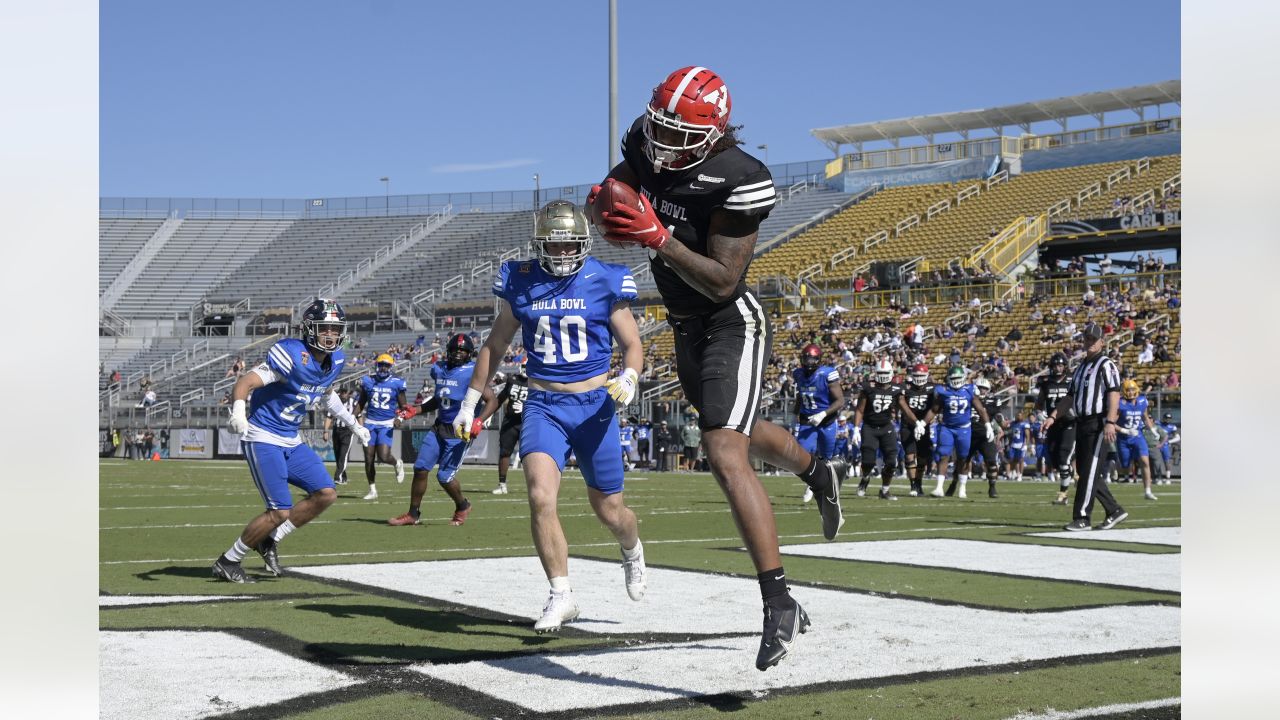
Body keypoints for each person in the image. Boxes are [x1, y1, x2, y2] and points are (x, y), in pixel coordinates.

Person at [592, 65, 848, 671]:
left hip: (730, 318)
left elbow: (723, 280)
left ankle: (777, 599)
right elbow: (615, 185)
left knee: (722, 447)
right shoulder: (645, 143)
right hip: (683, 325)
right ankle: (818, 471)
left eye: (680, 133)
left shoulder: (741, 178)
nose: (663, 143)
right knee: (739, 429)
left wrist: (657, 238)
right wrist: (605, 207)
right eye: (660, 127)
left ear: (714, 133)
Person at [449, 199, 647, 633]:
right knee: (540, 496)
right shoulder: (521, 280)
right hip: (543, 405)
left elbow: (633, 344)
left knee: (611, 510)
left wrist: (630, 375)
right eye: (552, 247)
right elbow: (494, 346)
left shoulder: (605, 278)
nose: (561, 255)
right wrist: (469, 403)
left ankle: (631, 550)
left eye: (569, 245)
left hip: (595, 406)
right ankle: (561, 593)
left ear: (583, 242)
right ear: (540, 245)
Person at [213, 299, 370, 583]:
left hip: (290, 438)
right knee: (280, 510)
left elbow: (325, 394)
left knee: (326, 493)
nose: (331, 336)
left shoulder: (335, 360)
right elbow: (245, 382)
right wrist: (238, 410)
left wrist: (352, 423)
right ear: (309, 329)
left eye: (335, 330)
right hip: (264, 437)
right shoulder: (291, 354)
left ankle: (269, 540)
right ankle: (229, 560)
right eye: (324, 329)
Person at [387, 334, 498, 527]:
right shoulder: (438, 369)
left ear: (469, 354)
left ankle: (462, 505)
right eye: (455, 349)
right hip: (439, 427)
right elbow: (440, 400)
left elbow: (492, 400)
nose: (457, 353)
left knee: (444, 477)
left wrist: (479, 421)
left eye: (462, 350)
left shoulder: (472, 372)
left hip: (459, 432)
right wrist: (417, 409)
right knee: (420, 469)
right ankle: (413, 514)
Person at [1041, 324, 1128, 531]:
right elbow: (1069, 398)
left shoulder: (1106, 364)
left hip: (1098, 422)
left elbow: (1114, 393)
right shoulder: (1081, 368)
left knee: (1087, 470)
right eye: (1086, 338)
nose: (1089, 342)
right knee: (1085, 470)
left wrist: (1110, 421)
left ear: (1102, 342)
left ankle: (1082, 517)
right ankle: (1114, 510)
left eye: (1093, 339)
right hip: (1082, 422)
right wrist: (1053, 416)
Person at [852, 358, 920, 500]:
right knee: (868, 461)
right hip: (869, 427)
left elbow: (904, 408)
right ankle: (865, 479)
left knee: (891, 461)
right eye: (880, 372)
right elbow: (860, 410)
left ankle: (885, 490)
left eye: (884, 372)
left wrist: (917, 422)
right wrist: (856, 428)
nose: (882, 375)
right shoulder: (868, 388)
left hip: (886, 428)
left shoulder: (896, 389)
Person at [922, 366, 993, 499]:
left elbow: (981, 410)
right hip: (947, 427)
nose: (955, 381)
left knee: (963, 458)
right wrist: (922, 423)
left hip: (964, 429)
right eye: (953, 378)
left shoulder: (969, 390)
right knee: (943, 455)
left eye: (957, 378)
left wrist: (988, 425)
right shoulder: (943, 391)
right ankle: (939, 487)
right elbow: (934, 410)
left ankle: (962, 487)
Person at [793, 343, 844, 502]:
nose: (808, 362)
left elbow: (840, 400)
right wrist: (794, 417)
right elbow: (801, 396)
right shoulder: (798, 374)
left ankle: (820, 485)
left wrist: (823, 414)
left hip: (826, 421)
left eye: (812, 359)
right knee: (800, 456)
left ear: (819, 360)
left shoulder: (827, 374)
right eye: (806, 359)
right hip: (807, 421)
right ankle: (813, 482)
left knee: (827, 459)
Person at [355, 353, 409, 500]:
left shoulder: (396, 383)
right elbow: (361, 403)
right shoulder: (368, 381)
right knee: (368, 458)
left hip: (386, 423)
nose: (383, 368)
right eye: (381, 365)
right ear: (376, 365)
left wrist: (399, 418)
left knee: (384, 456)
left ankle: (397, 463)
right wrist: (352, 418)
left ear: (390, 367)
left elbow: (404, 407)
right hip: (370, 423)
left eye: (386, 365)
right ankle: (372, 490)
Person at [1037, 353, 1076, 505]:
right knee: (1054, 460)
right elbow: (1039, 404)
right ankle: (1072, 474)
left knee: (1064, 458)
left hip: (1069, 423)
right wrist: (1040, 415)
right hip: (1052, 425)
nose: (1058, 368)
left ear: (1065, 367)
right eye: (1055, 365)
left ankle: (1063, 494)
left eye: (1060, 365)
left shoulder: (1071, 381)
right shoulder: (1046, 383)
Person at [490, 366, 530, 494]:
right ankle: (502, 485)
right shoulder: (512, 380)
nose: (526, 369)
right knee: (504, 452)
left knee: (531, 456)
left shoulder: (536, 382)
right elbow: (501, 398)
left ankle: (535, 486)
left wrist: (526, 410)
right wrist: (489, 414)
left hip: (528, 423)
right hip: (510, 422)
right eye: (524, 366)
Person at [1117, 380, 1159, 501]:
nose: (1131, 392)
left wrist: (1153, 430)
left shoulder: (1142, 401)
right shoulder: (1120, 404)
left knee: (1145, 462)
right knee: (1125, 466)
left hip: (1138, 436)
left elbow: (1145, 418)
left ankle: (1147, 491)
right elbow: (1111, 423)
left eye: (1132, 389)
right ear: (1124, 391)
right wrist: (1125, 431)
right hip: (1123, 438)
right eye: (1128, 390)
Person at [900, 364, 935, 497]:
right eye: (917, 376)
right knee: (910, 456)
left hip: (924, 426)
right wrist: (916, 422)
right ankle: (913, 484)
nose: (919, 379)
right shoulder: (906, 388)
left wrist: (924, 423)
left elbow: (935, 407)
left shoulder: (932, 388)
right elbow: (904, 407)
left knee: (922, 458)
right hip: (908, 425)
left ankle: (919, 482)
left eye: (922, 376)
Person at [322, 385, 357, 485]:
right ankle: (343, 477)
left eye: (345, 392)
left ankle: (338, 477)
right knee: (338, 455)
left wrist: (360, 430)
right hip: (336, 431)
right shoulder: (335, 401)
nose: (343, 394)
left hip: (348, 431)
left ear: (348, 392)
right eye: (342, 392)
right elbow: (329, 417)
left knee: (343, 455)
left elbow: (359, 416)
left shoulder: (353, 403)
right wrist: (325, 431)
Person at [1158, 412, 1179, 483]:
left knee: (1167, 461)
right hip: (1156, 444)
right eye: (1166, 418)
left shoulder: (1172, 427)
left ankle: (1168, 478)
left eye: (1169, 418)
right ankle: (1158, 477)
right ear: (1163, 418)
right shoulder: (1158, 423)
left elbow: (1178, 437)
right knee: (1156, 461)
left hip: (1164, 445)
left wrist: (1169, 442)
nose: (1167, 420)